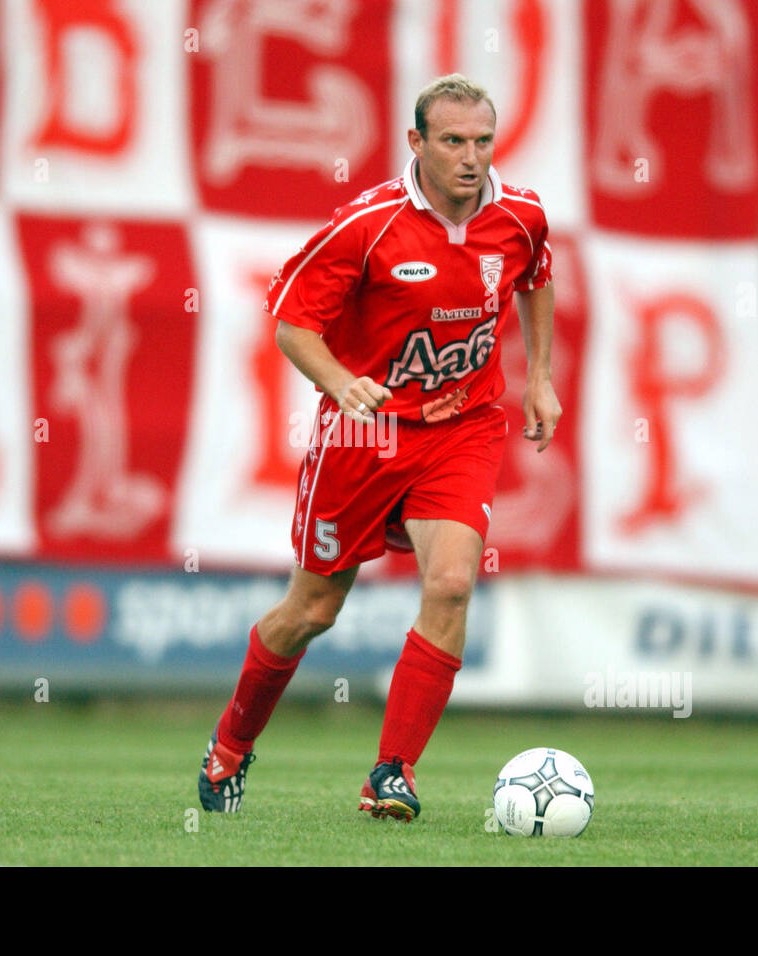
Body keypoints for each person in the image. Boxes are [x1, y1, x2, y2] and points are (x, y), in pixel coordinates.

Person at [199, 74, 560, 821]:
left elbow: (538, 278)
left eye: (483, 141)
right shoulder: (367, 226)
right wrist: (340, 383)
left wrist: (541, 379)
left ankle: (390, 773)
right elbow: (293, 325)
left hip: (462, 427)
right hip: (365, 435)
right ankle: (231, 743)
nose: (471, 158)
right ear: (416, 143)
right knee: (314, 607)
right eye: (454, 141)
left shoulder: (520, 217)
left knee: (453, 584)